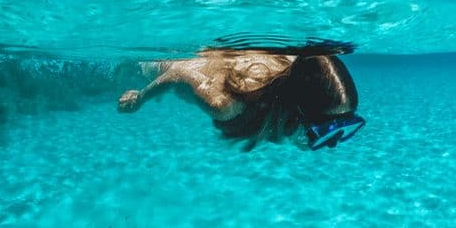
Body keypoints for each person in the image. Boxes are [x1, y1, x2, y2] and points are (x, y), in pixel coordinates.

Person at [117, 50, 364, 150]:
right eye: (324, 130)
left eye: (343, 127)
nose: (333, 143)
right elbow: (178, 74)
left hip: (208, 60)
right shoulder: (225, 105)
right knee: (123, 71)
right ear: (296, 109)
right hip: (168, 62)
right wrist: (142, 96)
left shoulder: (296, 65)